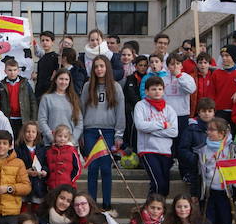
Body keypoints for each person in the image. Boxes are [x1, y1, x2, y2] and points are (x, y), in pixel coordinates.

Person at [81, 55, 125, 211]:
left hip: (108, 132)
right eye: (96, 66)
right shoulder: (88, 86)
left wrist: (119, 135)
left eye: (102, 66)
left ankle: (107, 204)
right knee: (92, 169)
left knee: (106, 169)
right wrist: (80, 133)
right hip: (90, 131)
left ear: (107, 68)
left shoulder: (115, 87)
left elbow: (120, 113)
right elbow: (81, 110)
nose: (99, 69)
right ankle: (91, 205)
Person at [134, 76, 178, 197]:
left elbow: (174, 132)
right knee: (158, 184)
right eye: (153, 89)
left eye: (159, 89)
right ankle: (151, 211)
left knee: (164, 188)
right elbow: (140, 125)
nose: (157, 91)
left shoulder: (169, 109)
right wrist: (163, 124)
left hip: (165, 151)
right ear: (147, 91)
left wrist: (151, 130)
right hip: (148, 150)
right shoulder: (140, 105)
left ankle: (154, 212)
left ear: (163, 91)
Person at [38, 68, 83, 146]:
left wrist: (72, 141)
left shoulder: (74, 99)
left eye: (66, 79)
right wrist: (52, 138)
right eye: (61, 79)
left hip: (70, 145)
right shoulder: (47, 98)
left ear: (69, 82)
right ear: (55, 80)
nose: (63, 82)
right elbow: (42, 120)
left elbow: (79, 122)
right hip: (51, 144)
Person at [0, 56, 37, 138]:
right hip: (8, 119)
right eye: (10, 70)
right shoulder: (1, 86)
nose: (12, 73)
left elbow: (32, 101)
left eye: (15, 70)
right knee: (10, 139)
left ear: (18, 70)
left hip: (23, 119)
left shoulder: (25, 84)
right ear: (5, 71)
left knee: (22, 140)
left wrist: (33, 119)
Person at [33, 30, 59, 98]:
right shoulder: (41, 59)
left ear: (52, 42)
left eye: (47, 40)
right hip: (39, 93)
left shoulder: (56, 58)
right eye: (42, 40)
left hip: (51, 92)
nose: (45, 42)